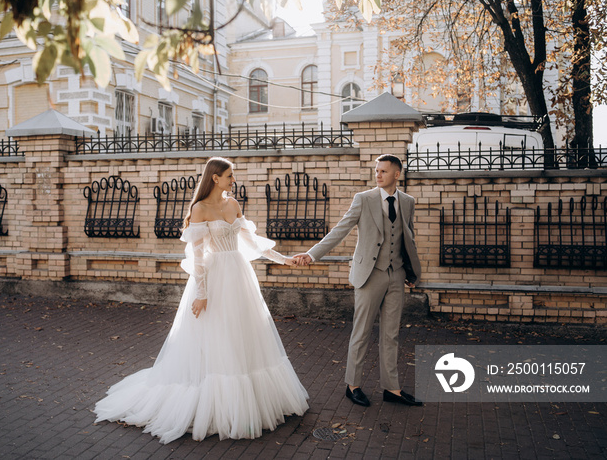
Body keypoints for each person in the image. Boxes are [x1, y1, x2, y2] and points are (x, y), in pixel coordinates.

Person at [94, 157, 309, 444]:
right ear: (215, 177)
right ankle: (221, 404)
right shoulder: (199, 209)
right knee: (217, 337)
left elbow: (252, 243)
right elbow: (197, 256)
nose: (234, 179)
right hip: (215, 279)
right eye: (230, 175)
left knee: (243, 335)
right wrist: (201, 294)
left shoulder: (233, 204)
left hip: (240, 277)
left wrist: (285, 260)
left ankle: (250, 402)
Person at [295, 154, 422, 407]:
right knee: (361, 332)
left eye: (383, 171)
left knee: (391, 335)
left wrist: (410, 272)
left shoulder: (407, 202)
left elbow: (408, 237)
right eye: (376, 171)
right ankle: (353, 386)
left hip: (396, 275)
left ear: (396, 174)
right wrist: (311, 254)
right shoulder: (363, 200)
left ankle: (392, 389)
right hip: (369, 275)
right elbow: (340, 230)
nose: (378, 175)